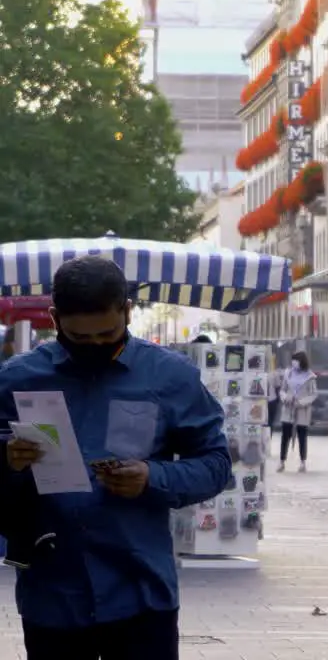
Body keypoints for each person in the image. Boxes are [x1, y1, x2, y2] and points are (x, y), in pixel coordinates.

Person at [0, 255, 231, 659]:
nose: (95, 347)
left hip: (141, 591)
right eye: (80, 338)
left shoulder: (170, 376)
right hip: (54, 594)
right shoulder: (17, 379)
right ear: (55, 319)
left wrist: (153, 477)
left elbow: (215, 464)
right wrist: (7, 460)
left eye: (108, 335)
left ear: (127, 310)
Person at [278, 351, 318, 473]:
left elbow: (314, 394)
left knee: (302, 436)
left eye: (296, 360)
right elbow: (282, 390)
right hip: (288, 408)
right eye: (293, 360)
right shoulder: (288, 374)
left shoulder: (310, 376)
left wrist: (302, 402)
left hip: (302, 410)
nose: (293, 362)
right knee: (285, 436)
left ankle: (302, 461)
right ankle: (282, 461)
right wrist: (285, 397)